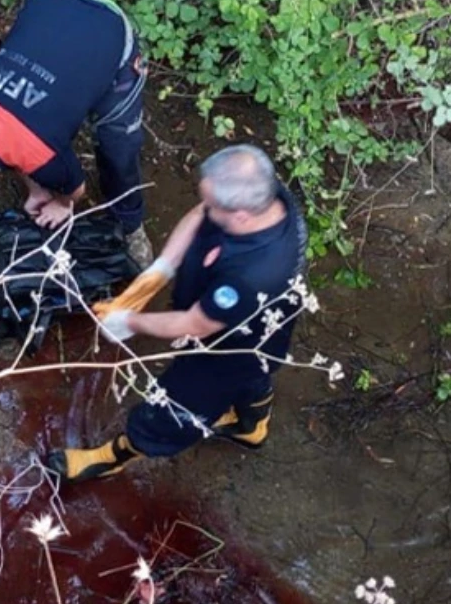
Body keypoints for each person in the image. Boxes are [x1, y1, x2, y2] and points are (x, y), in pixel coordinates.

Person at [47, 145, 308, 481]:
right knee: (257, 373)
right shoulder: (266, 198)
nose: (205, 208)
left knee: (174, 409)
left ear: (241, 215)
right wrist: (160, 270)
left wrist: (127, 321)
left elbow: (194, 324)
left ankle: (113, 456)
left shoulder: (253, 274)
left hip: (226, 350)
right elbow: (200, 214)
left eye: (214, 206)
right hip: (256, 325)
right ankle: (252, 425)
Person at [0, 0, 152, 267]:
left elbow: (76, 189)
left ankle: (130, 225)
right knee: (30, 127)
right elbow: (11, 142)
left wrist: (62, 204)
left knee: (118, 147)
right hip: (49, 1)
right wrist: (38, 191)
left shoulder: (43, 156)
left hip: (111, 33)